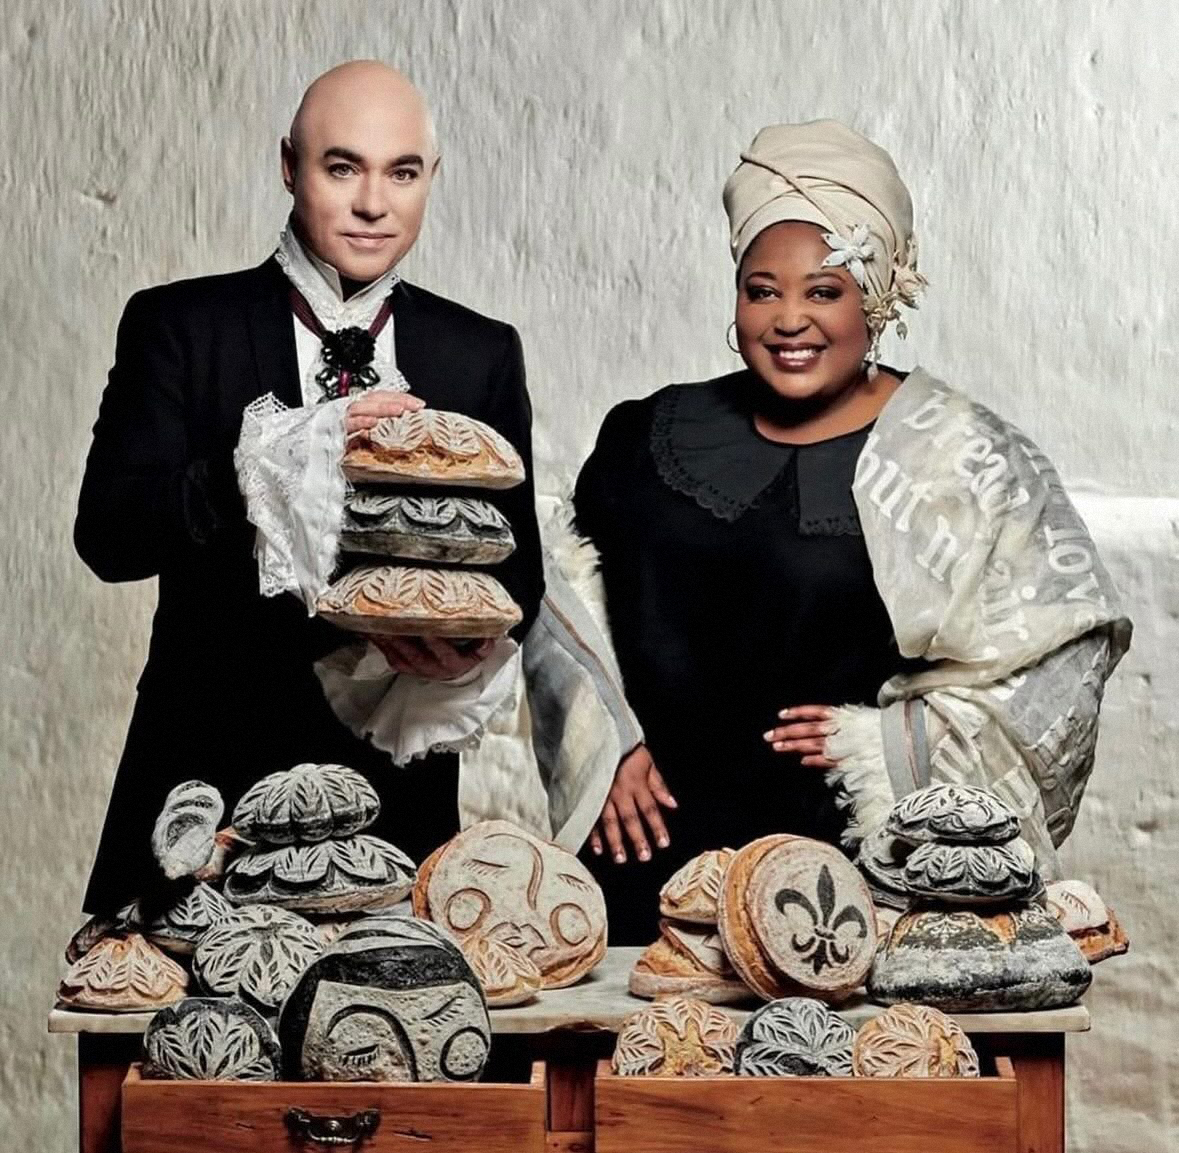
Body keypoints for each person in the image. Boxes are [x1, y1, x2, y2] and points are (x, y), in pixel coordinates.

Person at [573, 120, 1130, 944]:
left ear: (876, 297)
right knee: (636, 1033)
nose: (788, 319)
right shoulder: (646, 433)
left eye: (823, 292)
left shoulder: (959, 455)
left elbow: (1060, 650)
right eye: (762, 290)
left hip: (854, 875)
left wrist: (890, 744)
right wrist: (604, 743)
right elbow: (556, 599)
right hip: (649, 861)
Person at [75, 61, 543, 914]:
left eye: (402, 173)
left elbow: (518, 573)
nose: (373, 203)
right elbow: (108, 536)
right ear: (289, 166)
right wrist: (268, 464)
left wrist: (461, 648)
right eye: (342, 167)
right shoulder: (179, 325)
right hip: (207, 776)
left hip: (394, 795)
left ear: (431, 178)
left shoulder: (478, 352)